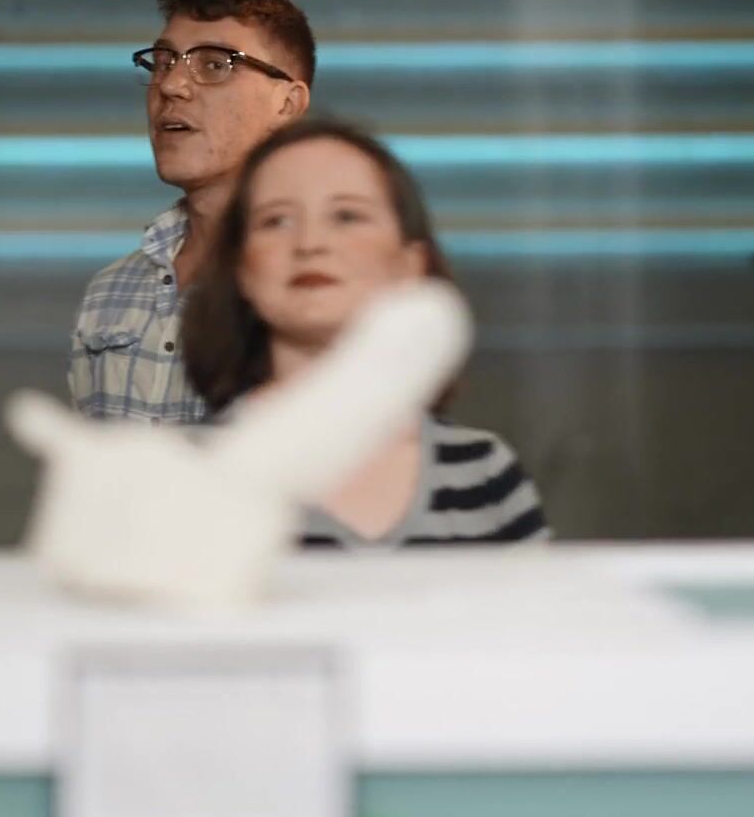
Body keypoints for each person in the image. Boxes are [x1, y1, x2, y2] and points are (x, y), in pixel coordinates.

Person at [182, 119, 550, 548]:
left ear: (410, 264)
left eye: (347, 216)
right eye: (276, 221)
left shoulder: (485, 473)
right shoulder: (186, 473)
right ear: (242, 270)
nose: (310, 243)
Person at [68, 0, 315, 423]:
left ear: (287, 104)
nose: (171, 85)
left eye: (215, 65)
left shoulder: (323, 282)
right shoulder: (110, 291)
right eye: (163, 62)